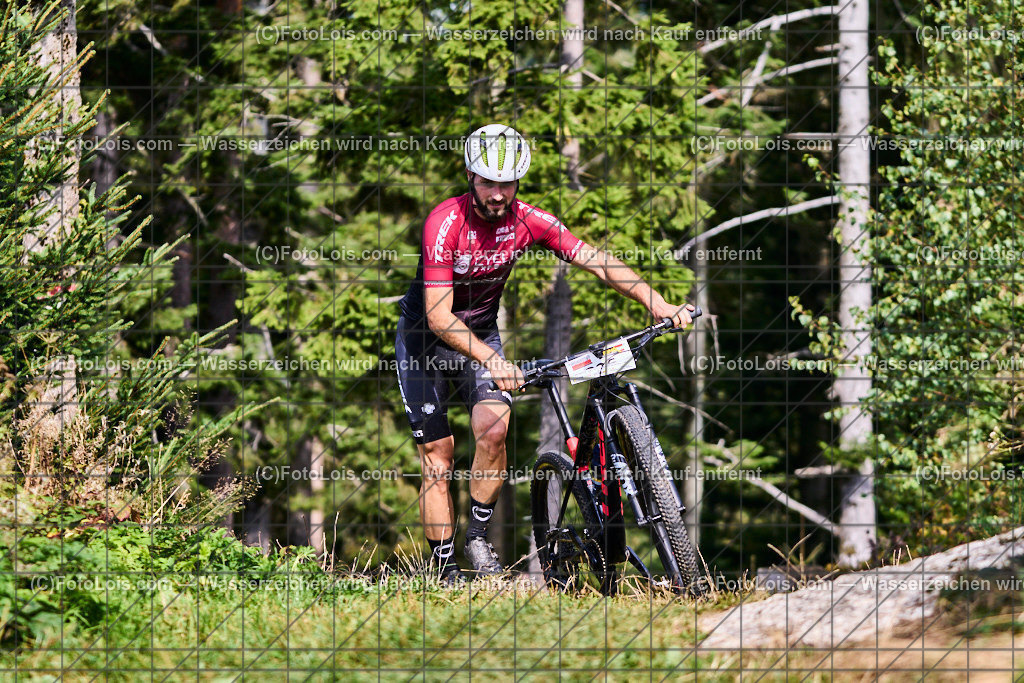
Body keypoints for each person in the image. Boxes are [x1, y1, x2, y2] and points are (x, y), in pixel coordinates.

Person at [396, 123, 695, 585]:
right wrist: (494, 362)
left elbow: (594, 259)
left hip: (479, 332)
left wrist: (660, 304)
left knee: (493, 429)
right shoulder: (445, 223)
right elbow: (438, 317)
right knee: (438, 457)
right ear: (470, 176)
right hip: (424, 343)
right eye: (488, 182)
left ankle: (477, 535)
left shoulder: (528, 220)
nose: (498, 194)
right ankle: (444, 569)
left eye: (507, 183)